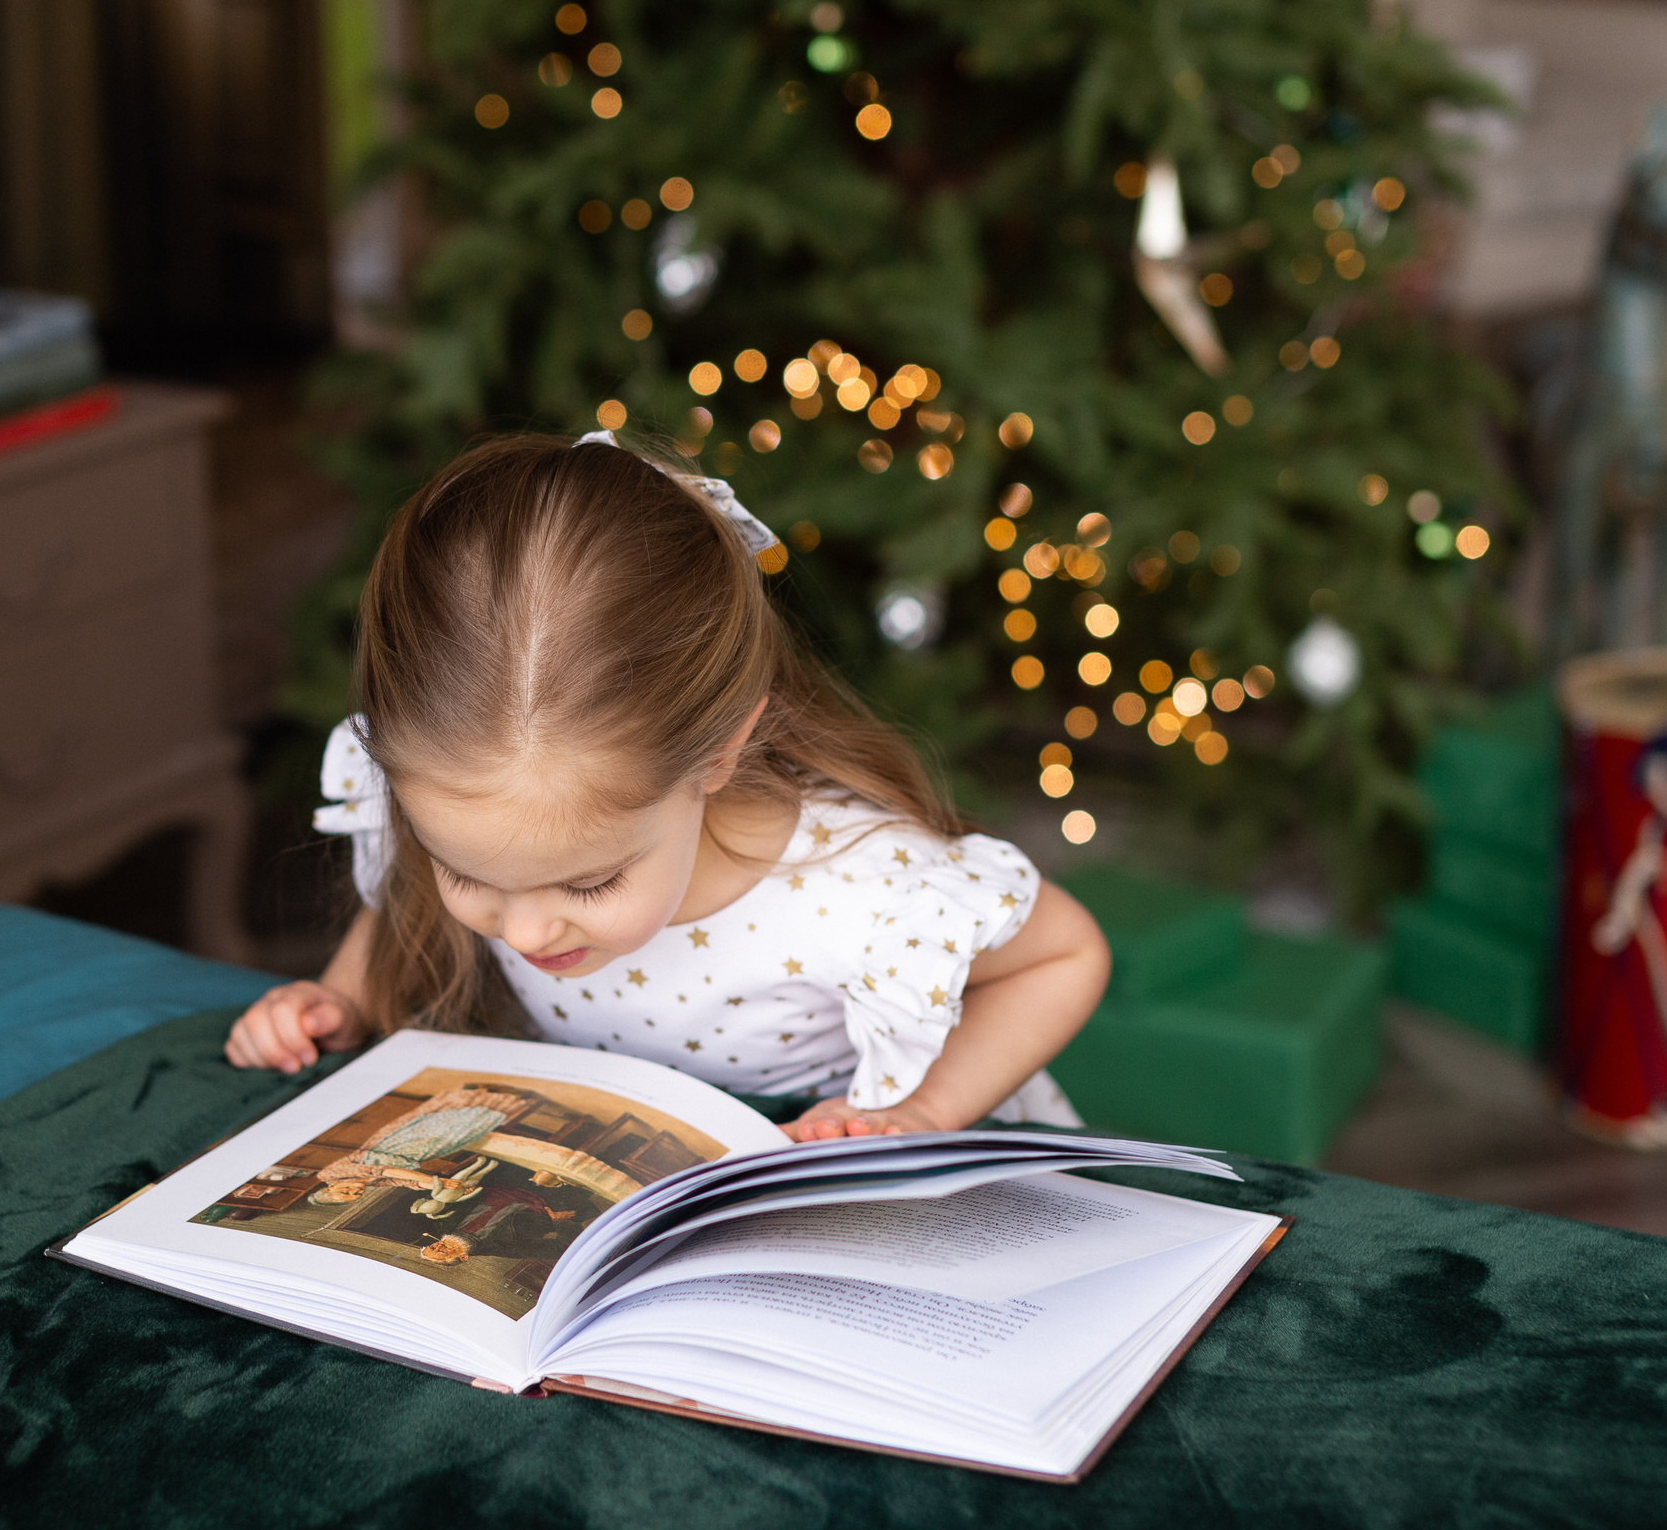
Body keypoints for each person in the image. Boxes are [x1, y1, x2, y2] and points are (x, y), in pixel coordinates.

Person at [223, 432, 1111, 1141]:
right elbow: (398, 909)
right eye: (468, 875)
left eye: (589, 882)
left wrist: (919, 1113)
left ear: (716, 757)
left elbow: (1067, 955)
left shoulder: (865, 889)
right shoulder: (458, 801)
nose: (524, 929)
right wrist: (341, 1001)